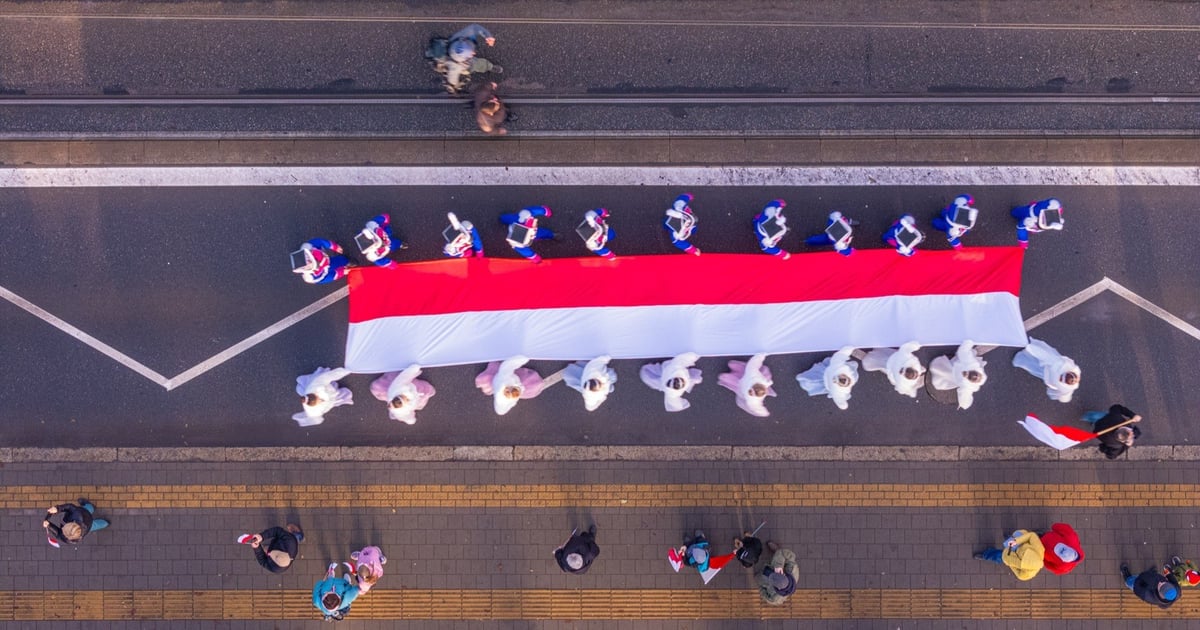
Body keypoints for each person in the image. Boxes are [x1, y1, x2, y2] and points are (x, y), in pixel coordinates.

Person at [430, 24, 501, 94]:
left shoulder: (463, 36)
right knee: (477, 64)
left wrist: (488, 36)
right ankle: (489, 67)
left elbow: (475, 27)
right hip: (458, 65)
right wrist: (453, 86)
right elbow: (452, 78)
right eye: (470, 54)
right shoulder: (455, 66)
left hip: (454, 61)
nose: (474, 53)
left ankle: (490, 67)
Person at [1012, 338, 1080, 403]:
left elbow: (1065, 397)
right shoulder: (1058, 364)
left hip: (1047, 374)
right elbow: (1044, 355)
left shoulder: (1068, 388)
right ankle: (1025, 355)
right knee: (1034, 365)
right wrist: (1030, 348)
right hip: (1047, 369)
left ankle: (1026, 356)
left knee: (1034, 365)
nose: (1060, 378)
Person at [475, 356, 547, 416]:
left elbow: (507, 366)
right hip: (512, 382)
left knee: (527, 381)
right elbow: (500, 411)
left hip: (504, 378)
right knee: (532, 385)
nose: (512, 390)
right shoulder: (506, 399)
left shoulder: (504, 379)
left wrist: (522, 359)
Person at [928, 340, 987, 410]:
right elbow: (965, 400)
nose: (977, 377)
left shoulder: (969, 364)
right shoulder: (968, 384)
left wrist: (969, 342)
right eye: (978, 376)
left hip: (954, 370)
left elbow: (963, 351)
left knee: (942, 371)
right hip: (955, 372)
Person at [370, 365, 436, 425]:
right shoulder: (400, 411)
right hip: (414, 393)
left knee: (399, 378)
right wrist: (410, 420)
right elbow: (404, 417)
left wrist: (414, 369)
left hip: (408, 386)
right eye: (406, 400)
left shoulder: (397, 388)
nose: (405, 398)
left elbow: (404, 377)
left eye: (402, 397)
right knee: (424, 392)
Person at [974, 529, 1045, 581]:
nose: (1022, 556)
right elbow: (1031, 536)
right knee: (1012, 540)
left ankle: (986, 555)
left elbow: (1018, 574)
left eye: (1022, 559)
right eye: (1025, 554)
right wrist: (1016, 541)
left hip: (1012, 558)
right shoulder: (1040, 550)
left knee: (999, 556)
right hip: (1020, 544)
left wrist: (1010, 563)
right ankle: (1008, 538)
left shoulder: (1027, 574)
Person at [43, 499, 108, 547]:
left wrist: (49, 526)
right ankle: (91, 507)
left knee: (95, 525)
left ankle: (105, 523)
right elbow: (70, 507)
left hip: (89, 526)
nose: (62, 529)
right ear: (72, 523)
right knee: (89, 508)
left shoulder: (70, 540)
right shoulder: (78, 515)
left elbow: (58, 534)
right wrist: (57, 509)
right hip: (85, 513)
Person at [757, 541, 799, 605]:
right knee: (779, 554)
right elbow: (790, 555)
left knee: (758, 578)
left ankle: (758, 577)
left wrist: (761, 588)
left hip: (765, 582)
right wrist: (778, 566)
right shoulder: (793, 570)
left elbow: (766, 596)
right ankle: (777, 550)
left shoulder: (776, 599)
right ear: (784, 574)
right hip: (776, 567)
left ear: (778, 588)